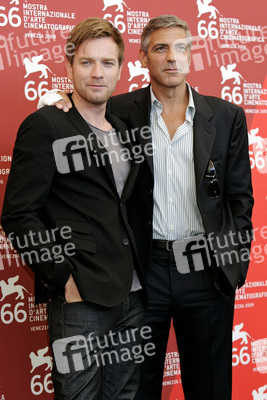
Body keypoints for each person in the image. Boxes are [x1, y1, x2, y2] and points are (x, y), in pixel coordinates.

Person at [38, 14, 254, 400]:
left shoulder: (225, 117)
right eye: (160, 48)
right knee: (137, 387)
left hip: (206, 269)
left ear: (192, 55)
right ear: (141, 57)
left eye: (181, 47)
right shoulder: (118, 110)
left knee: (212, 386)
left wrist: (233, 265)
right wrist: (56, 101)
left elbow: (240, 199)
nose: (172, 57)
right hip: (142, 271)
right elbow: (77, 112)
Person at [1, 18, 147, 400]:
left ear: (120, 69)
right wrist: (61, 276)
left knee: (125, 394)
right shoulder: (46, 124)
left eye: (108, 63)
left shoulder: (123, 128)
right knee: (78, 396)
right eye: (86, 62)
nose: (97, 73)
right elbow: (18, 213)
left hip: (133, 295)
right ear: (69, 67)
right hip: (80, 298)